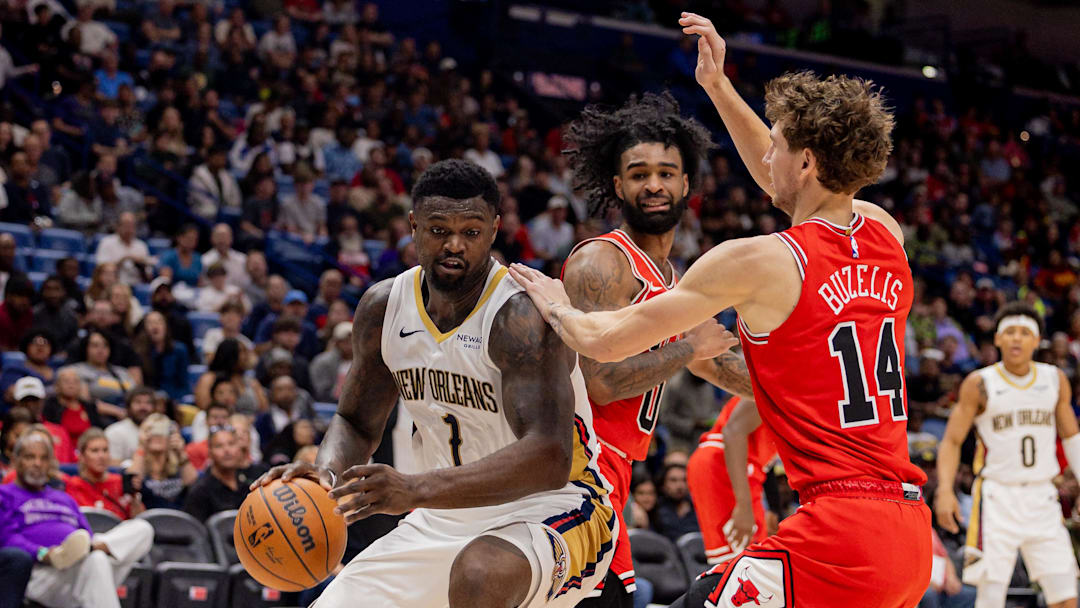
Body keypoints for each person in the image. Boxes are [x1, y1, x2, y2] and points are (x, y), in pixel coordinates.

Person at [507, 15, 932, 606]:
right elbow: (787, 181)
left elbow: (603, 345)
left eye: (779, 144)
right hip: (908, 533)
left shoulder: (758, 261)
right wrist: (718, 86)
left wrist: (559, 309)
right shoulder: (886, 233)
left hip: (838, 531)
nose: (768, 158)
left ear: (805, 161)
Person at [252, 159, 620, 607]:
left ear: (495, 229)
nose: (455, 245)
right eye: (439, 230)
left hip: (555, 510)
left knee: (481, 575)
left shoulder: (519, 315)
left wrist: (411, 489)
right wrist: (325, 476)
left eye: (471, 231)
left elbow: (549, 457)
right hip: (443, 517)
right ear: (413, 225)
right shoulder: (383, 307)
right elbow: (354, 421)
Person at [559, 91, 754, 607]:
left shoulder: (674, 281)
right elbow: (599, 382)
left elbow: (714, 362)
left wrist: (797, 392)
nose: (654, 184)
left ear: (686, 184)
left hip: (614, 472)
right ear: (618, 184)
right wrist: (687, 346)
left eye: (667, 173)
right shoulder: (603, 262)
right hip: (573, 469)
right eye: (640, 173)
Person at [935, 303, 1080, 608]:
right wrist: (945, 490)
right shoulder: (980, 383)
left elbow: (1072, 437)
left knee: (1065, 595)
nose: (1017, 339)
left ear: (1036, 340)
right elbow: (950, 441)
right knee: (990, 597)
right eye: (1010, 332)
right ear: (997, 340)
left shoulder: (1054, 379)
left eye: (1025, 333)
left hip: (1043, 497)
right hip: (996, 498)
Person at [0, 431, 154, 608]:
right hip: (42, 573)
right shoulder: (4, 495)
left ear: (50, 463)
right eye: (30, 457)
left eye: (43, 458)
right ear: (16, 460)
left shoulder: (64, 499)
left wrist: (85, 546)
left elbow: (84, 533)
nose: (37, 463)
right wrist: (45, 554)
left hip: (79, 569)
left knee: (142, 528)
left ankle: (88, 549)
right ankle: (85, 550)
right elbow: (8, 539)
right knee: (96, 560)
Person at [686, 396, 777, 566]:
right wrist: (743, 505)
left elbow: (767, 463)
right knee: (744, 566)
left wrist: (774, 508)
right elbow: (733, 432)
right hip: (724, 462)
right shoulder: (779, 377)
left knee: (750, 563)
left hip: (740, 467)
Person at [183, 425, 262, 522]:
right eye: (219, 446)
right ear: (210, 453)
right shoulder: (199, 491)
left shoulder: (249, 482)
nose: (227, 450)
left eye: (231, 444)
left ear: (239, 449)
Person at [123, 413, 197, 510]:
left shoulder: (180, 466)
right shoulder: (135, 464)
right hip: (146, 521)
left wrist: (181, 453)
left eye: (162, 431)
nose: (157, 436)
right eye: (152, 431)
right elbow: (133, 484)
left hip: (178, 520)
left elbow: (193, 484)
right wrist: (141, 446)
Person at [66, 428, 144, 519]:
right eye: (95, 451)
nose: (101, 456)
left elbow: (139, 518)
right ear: (82, 456)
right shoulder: (75, 485)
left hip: (121, 530)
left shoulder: (120, 481)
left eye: (105, 450)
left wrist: (134, 495)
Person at [193, 338, 266, 416]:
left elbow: (264, 410)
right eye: (242, 352)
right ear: (229, 354)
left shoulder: (252, 381)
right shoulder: (209, 379)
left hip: (252, 423)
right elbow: (204, 407)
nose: (247, 356)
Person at [42, 367, 109, 447]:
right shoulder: (50, 407)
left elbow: (97, 431)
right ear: (57, 386)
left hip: (87, 452)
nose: (71, 384)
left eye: (75, 381)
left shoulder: (89, 407)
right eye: (66, 381)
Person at [133, 311, 190, 400]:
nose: (155, 326)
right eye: (150, 323)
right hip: (147, 399)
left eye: (159, 322)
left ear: (166, 326)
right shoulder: (137, 351)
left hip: (173, 399)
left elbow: (183, 384)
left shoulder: (180, 350)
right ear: (144, 328)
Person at [70, 330, 134, 406]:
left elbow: (137, 395)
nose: (100, 350)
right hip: (99, 416)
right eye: (95, 345)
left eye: (105, 345)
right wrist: (117, 412)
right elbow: (86, 402)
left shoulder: (122, 372)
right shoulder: (77, 371)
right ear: (86, 348)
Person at [93, 212, 154, 285]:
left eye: (132, 226)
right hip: (113, 285)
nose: (129, 229)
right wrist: (124, 259)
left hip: (136, 286)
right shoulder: (106, 242)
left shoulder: (141, 245)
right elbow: (100, 269)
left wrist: (142, 265)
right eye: (126, 225)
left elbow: (148, 275)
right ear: (118, 226)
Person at [1, 329, 57, 406]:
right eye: (35, 343)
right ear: (26, 346)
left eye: (45, 343)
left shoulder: (58, 371)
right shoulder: (14, 369)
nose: (40, 348)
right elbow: (10, 395)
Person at [104, 387, 155, 465]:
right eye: (138, 402)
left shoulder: (161, 429)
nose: (143, 407)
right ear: (128, 407)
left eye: (148, 403)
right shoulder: (115, 432)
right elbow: (113, 465)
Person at [31, 276, 79, 348]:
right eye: (48, 289)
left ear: (63, 292)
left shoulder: (71, 316)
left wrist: (66, 352)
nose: (52, 294)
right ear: (42, 292)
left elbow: (74, 341)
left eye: (57, 289)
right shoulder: (34, 314)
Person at [310, 321, 352, 401]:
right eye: (345, 341)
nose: (349, 345)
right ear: (336, 342)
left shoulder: (362, 364)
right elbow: (321, 391)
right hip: (329, 405)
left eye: (352, 341)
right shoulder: (322, 362)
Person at [200, 223, 249, 290]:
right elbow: (203, 286)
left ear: (231, 239)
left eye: (225, 236)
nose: (222, 240)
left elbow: (246, 284)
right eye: (218, 236)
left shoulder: (242, 259)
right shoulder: (204, 261)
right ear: (212, 239)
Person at [0, 275, 34, 351]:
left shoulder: (29, 314)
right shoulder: (1, 315)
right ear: (8, 296)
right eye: (20, 295)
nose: (25, 300)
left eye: (28, 296)